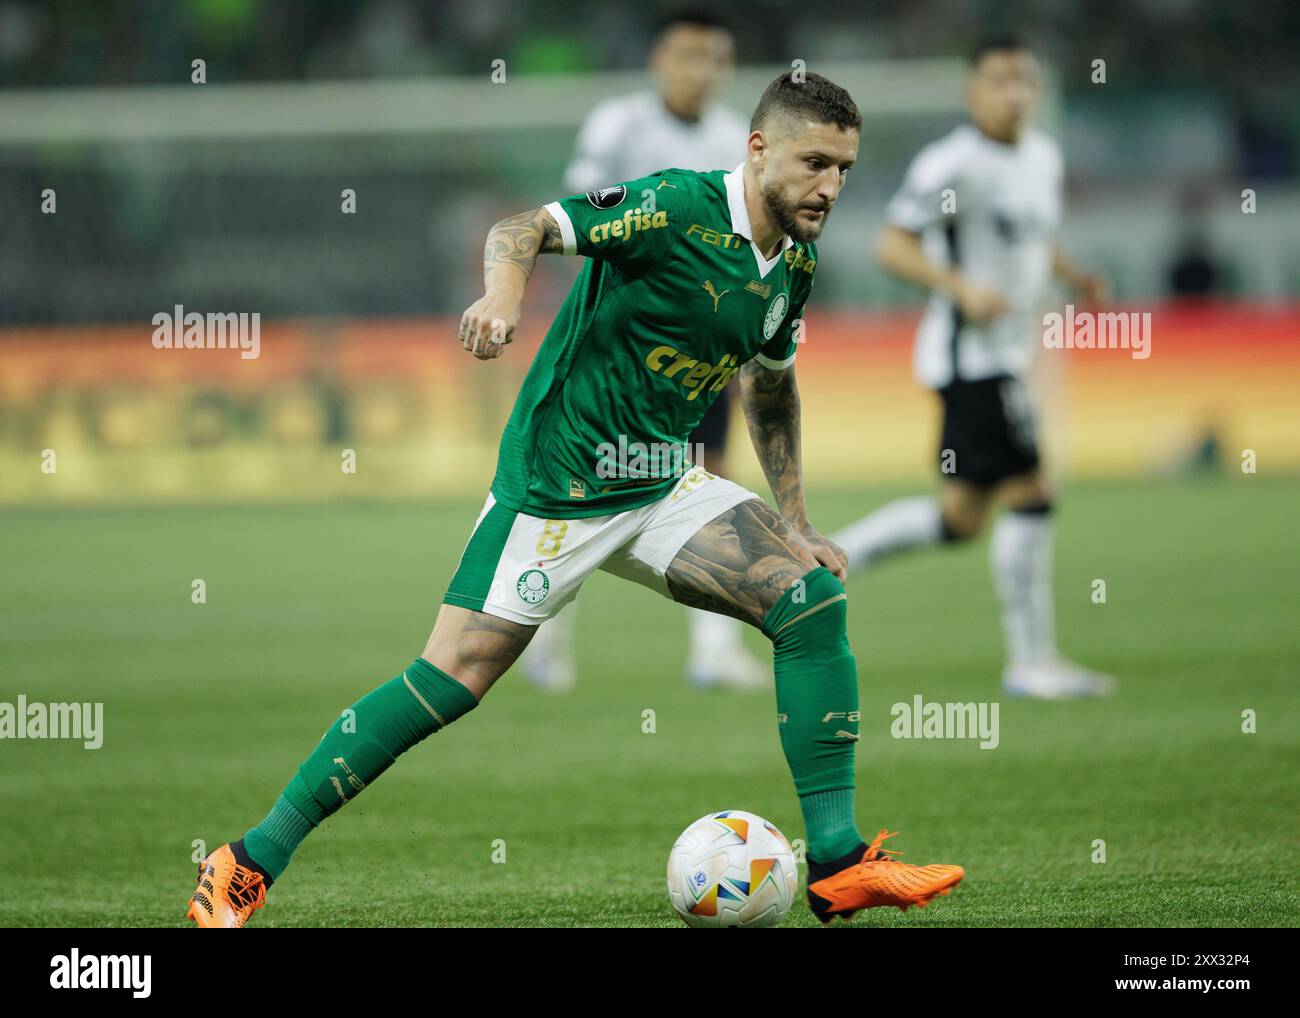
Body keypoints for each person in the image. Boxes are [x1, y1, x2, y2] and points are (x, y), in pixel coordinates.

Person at [187, 72, 965, 928]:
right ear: (758, 148)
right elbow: (525, 227)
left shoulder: (797, 265)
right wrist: (504, 292)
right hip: (557, 490)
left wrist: (797, 521)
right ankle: (246, 860)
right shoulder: (673, 207)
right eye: (815, 161)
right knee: (452, 677)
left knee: (811, 602)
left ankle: (837, 863)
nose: (831, 186)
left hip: (663, 483)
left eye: (846, 168)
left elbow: (771, 387)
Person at [833, 35, 1115, 699]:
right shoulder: (951, 164)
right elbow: (891, 244)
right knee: (1035, 490)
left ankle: (821, 563)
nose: (1013, 91)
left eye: (1023, 78)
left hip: (1003, 355)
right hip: (971, 357)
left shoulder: (1041, 156)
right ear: (972, 91)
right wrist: (960, 288)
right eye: (998, 79)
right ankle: (1031, 662)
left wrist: (1074, 275)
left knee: (960, 519)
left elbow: (1034, 236)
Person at [521, 8, 768, 693]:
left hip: (700, 343)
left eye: (714, 58)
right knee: (583, 486)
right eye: (688, 55)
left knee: (706, 474)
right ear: (659, 60)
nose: (701, 70)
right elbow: (577, 216)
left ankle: (712, 649)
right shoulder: (617, 124)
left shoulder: (733, 137)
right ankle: (541, 626)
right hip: (614, 342)